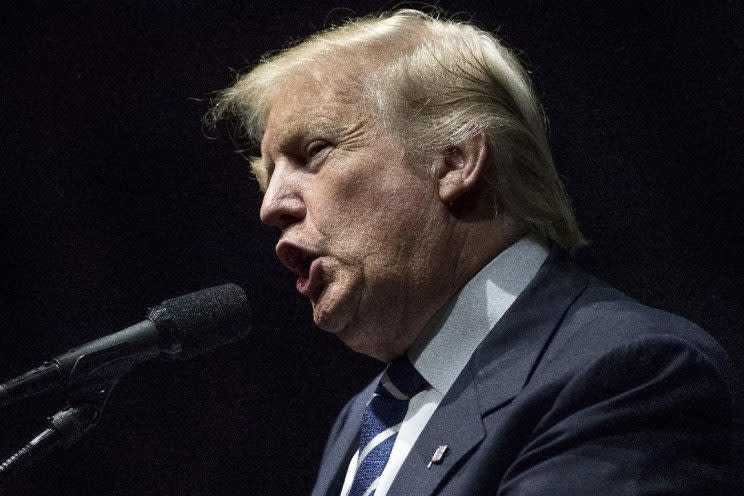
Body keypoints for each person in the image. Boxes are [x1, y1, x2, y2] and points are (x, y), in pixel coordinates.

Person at [207, 9, 733, 496]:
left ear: (456, 161)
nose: (271, 206)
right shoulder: (362, 422)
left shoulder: (627, 371)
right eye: (268, 176)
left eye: (313, 152)